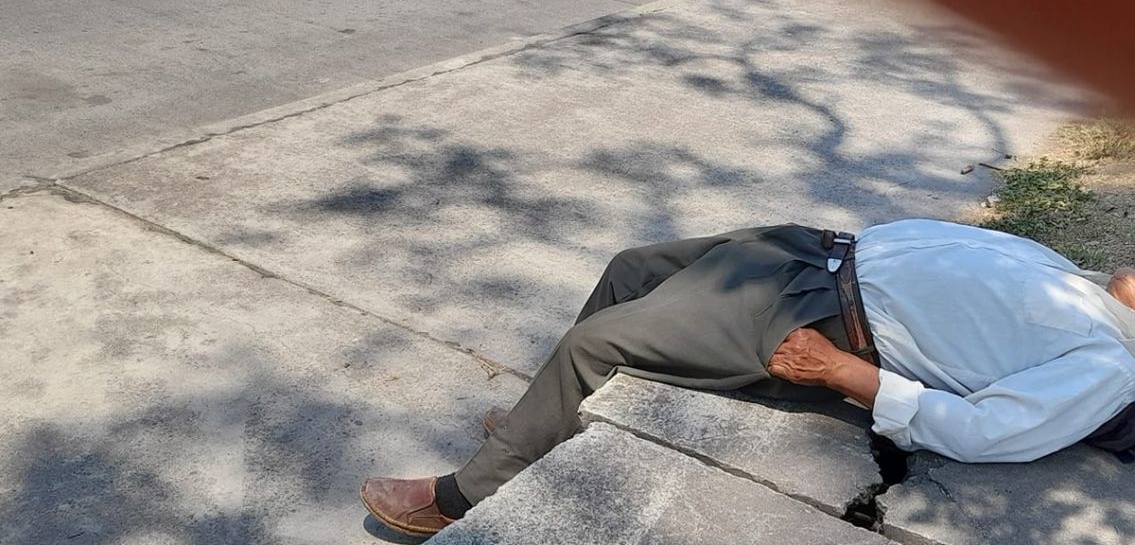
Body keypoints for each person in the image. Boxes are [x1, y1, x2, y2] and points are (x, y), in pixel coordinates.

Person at [360, 219, 1135, 537]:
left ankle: (462, 496)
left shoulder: (1106, 364)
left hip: (817, 316)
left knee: (597, 344)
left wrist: (843, 372)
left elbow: (982, 431)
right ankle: (544, 424)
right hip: (811, 251)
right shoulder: (1084, 284)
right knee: (632, 266)